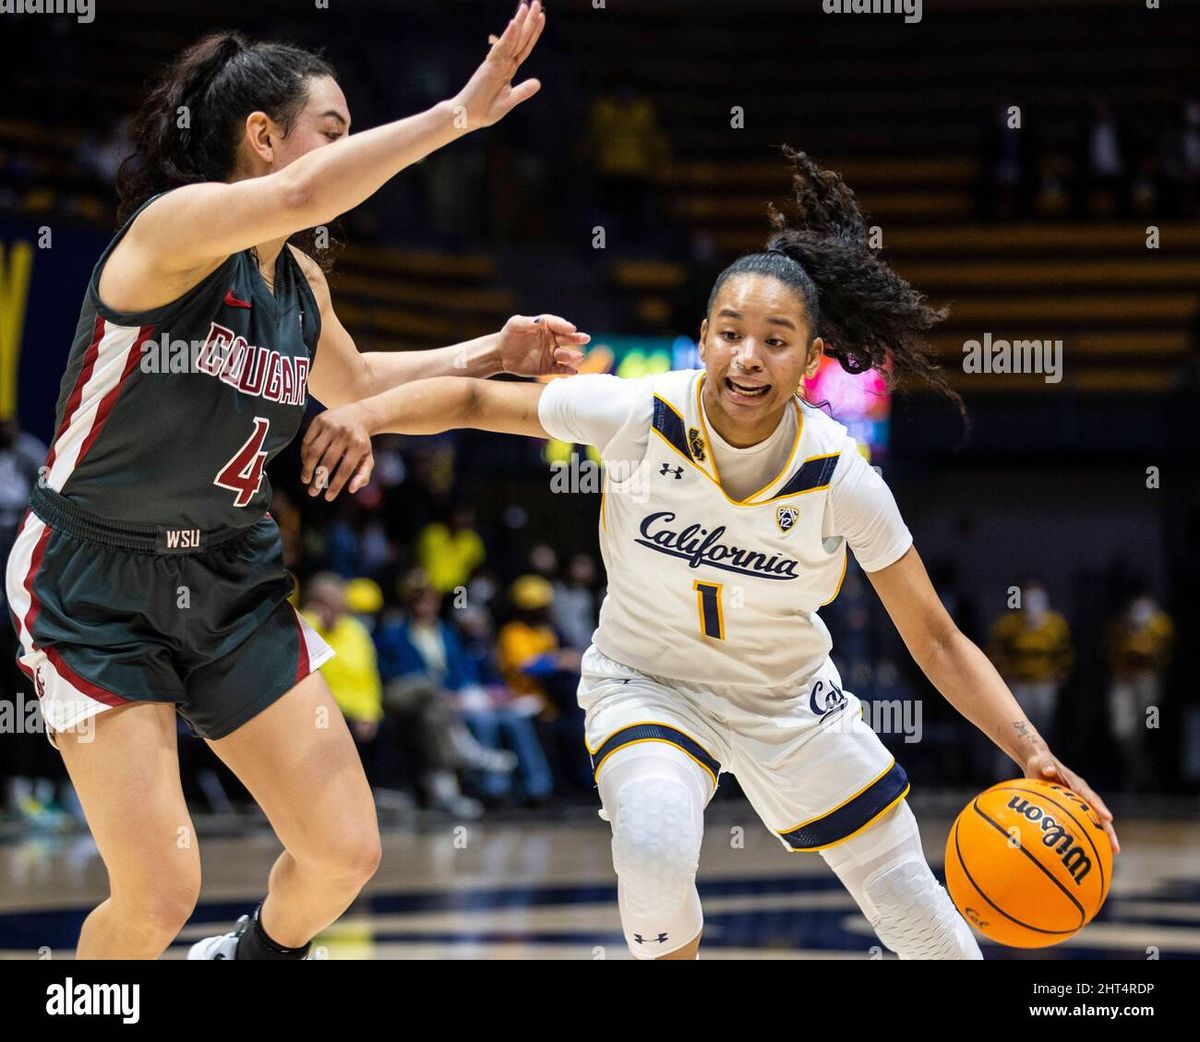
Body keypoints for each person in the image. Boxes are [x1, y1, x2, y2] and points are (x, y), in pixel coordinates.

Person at [302, 147, 1120, 961]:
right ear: (704, 338)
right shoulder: (634, 414)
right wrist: (367, 417)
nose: (748, 356)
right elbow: (477, 397)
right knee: (654, 849)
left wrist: (1031, 750)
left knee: (919, 914)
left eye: (775, 340)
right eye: (730, 333)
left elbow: (936, 639)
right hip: (647, 685)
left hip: (788, 701)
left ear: (808, 361)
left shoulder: (841, 477)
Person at [3, 3, 588, 961]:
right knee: (156, 895)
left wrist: (494, 349)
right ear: (263, 137)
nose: (342, 157)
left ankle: (243, 957)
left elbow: (355, 386)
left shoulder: (297, 287)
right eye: (332, 132)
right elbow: (290, 201)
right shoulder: (174, 231)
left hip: (230, 575)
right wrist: (454, 118)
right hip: (94, 580)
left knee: (343, 851)